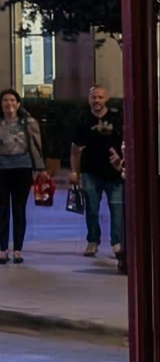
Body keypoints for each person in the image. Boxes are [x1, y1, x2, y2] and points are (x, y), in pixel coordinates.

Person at [0, 89, 43, 266]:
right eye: (5, 100)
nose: (9, 104)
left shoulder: (28, 123)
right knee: (2, 209)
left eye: (12, 100)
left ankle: (18, 249)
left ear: (18, 104)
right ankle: (3, 249)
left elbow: (36, 147)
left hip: (22, 167)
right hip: (0, 169)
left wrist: (40, 170)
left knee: (19, 209)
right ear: (0, 104)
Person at [68, 83, 127, 263]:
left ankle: (117, 243)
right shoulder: (83, 120)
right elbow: (75, 149)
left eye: (100, 97)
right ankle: (93, 241)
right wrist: (74, 172)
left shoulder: (117, 118)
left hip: (115, 173)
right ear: (89, 99)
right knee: (92, 209)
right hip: (90, 172)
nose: (97, 101)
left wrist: (123, 162)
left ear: (107, 98)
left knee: (117, 209)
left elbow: (127, 142)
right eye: (94, 97)